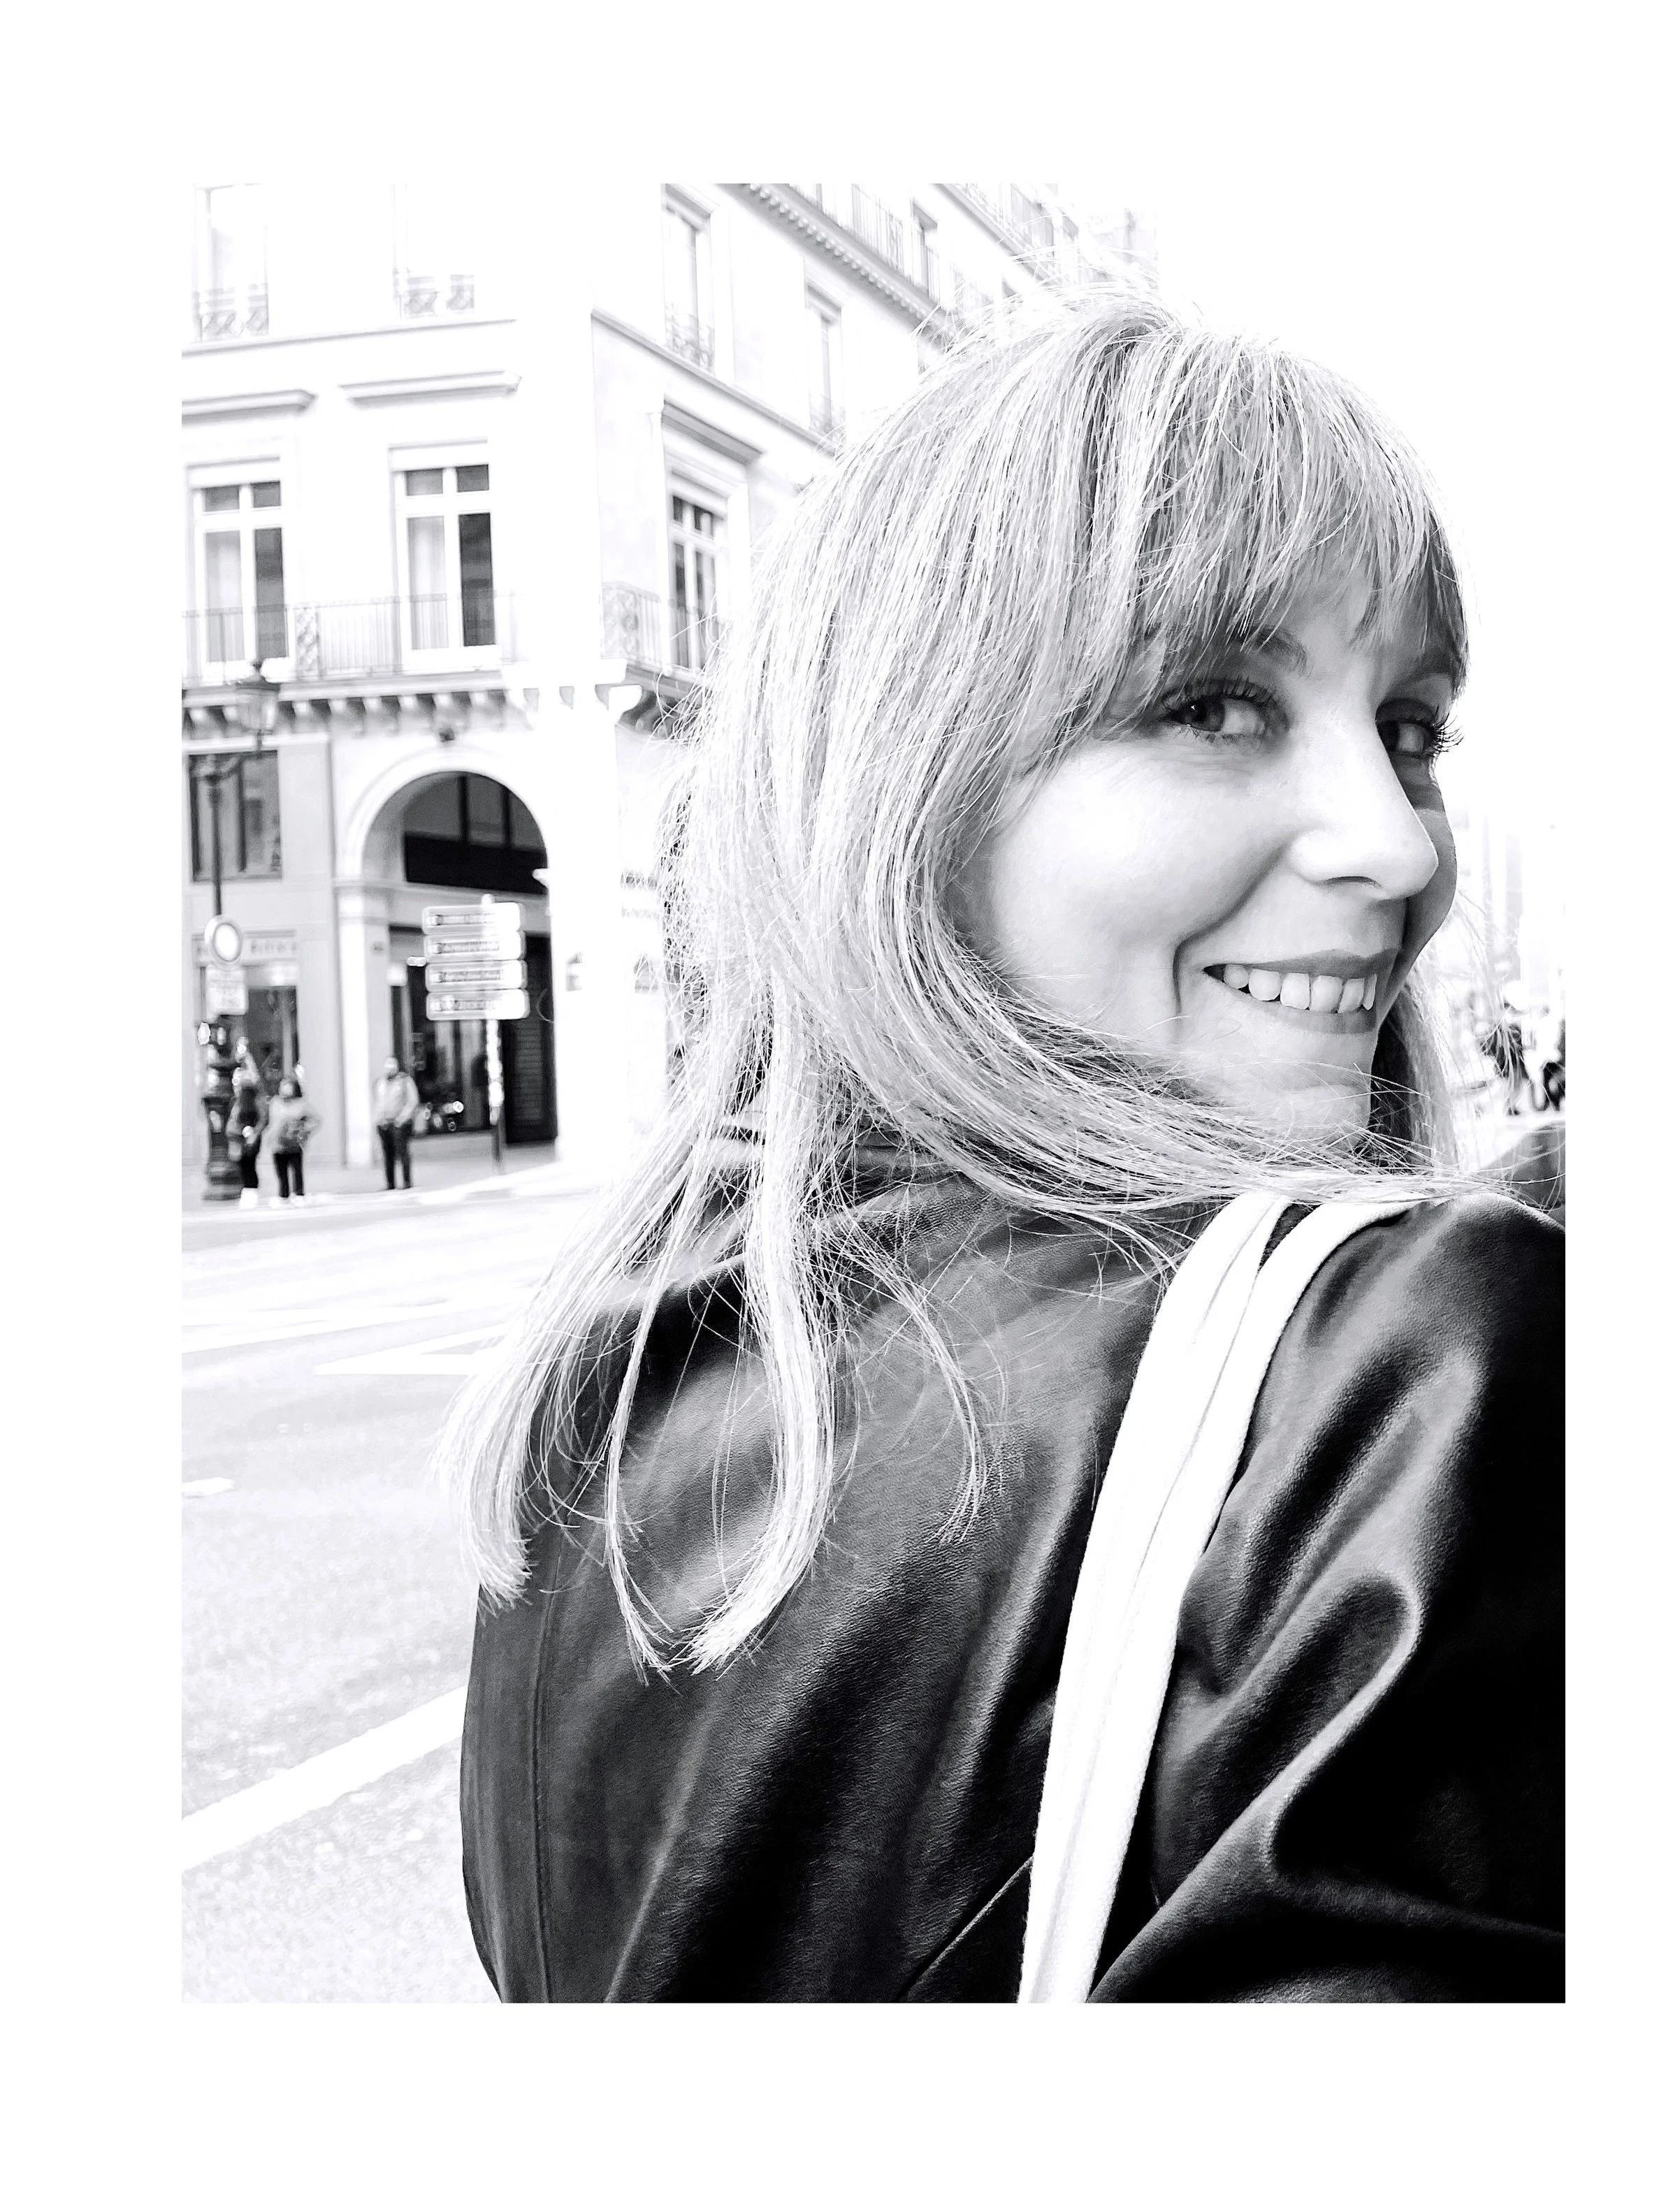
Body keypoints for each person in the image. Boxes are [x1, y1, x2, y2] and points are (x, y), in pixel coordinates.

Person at [444, 297, 1563, 2003]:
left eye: (1409, 728)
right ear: (918, 789)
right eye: (1215, 702)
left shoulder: (584, 1410)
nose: (1396, 845)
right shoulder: (1401, 1379)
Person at [264, 1075, 319, 1203]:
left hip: (294, 1143)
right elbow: (267, 1120)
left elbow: (315, 1120)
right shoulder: (275, 1103)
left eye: (288, 1087)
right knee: (281, 1171)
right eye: (283, 1086)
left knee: (296, 1170)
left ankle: (299, 1194)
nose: (285, 1090)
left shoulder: (301, 1104)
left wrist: (303, 1131)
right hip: (277, 1143)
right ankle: (283, 1195)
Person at [372, 1054, 419, 1189]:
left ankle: (407, 1182)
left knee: (402, 1153)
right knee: (388, 1155)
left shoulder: (405, 1081)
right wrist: (379, 1120)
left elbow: (412, 1101)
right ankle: (390, 1184)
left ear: (397, 1066)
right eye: (387, 1064)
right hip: (384, 1124)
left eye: (392, 1064)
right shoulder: (381, 1082)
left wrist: (402, 1119)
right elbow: (378, 1102)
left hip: (400, 1124)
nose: (390, 1067)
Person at [224, 1069, 264, 1210]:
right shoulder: (242, 1102)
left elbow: (261, 1120)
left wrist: (251, 1133)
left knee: (247, 1166)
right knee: (248, 1166)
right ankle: (249, 1193)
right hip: (246, 1138)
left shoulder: (245, 1102)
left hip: (248, 1139)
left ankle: (250, 1193)